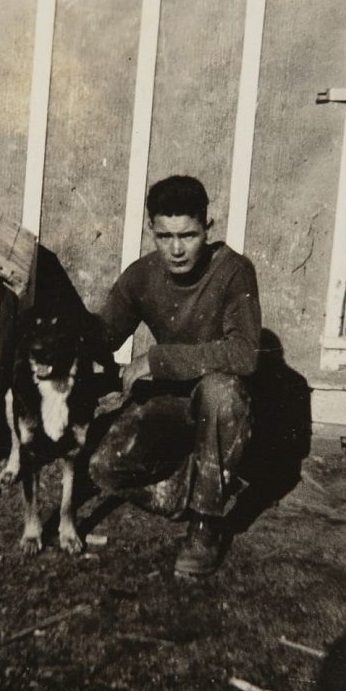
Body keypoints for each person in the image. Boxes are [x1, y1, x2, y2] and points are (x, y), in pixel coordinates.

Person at [90, 175, 261, 578]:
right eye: (165, 236)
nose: (177, 248)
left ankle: (205, 523)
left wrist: (158, 360)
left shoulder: (234, 271)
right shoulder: (141, 275)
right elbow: (103, 335)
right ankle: (195, 477)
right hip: (170, 404)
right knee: (103, 468)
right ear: (152, 230)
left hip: (218, 402)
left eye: (188, 235)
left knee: (221, 391)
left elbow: (245, 353)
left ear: (207, 228)